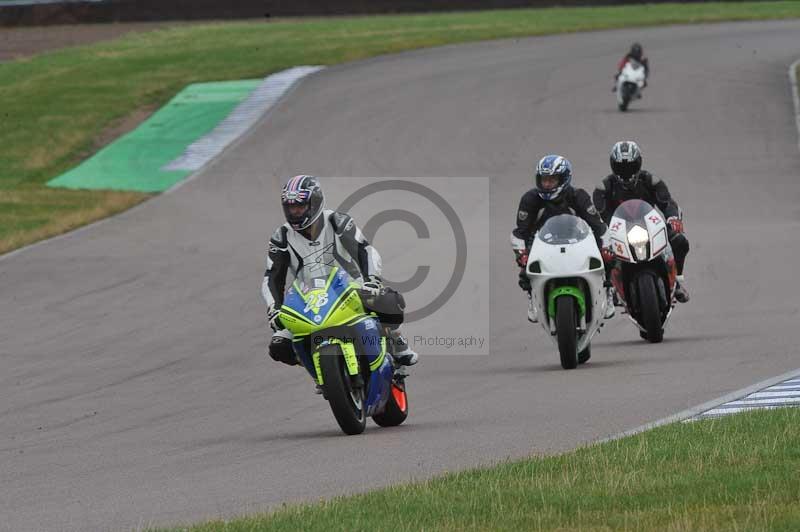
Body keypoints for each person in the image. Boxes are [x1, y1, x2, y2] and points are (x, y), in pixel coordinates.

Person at [262, 175, 418, 379]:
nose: (295, 212)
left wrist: (371, 279)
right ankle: (321, 373)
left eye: (300, 206)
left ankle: (395, 340)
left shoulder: (337, 221)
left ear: (315, 202)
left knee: (389, 302)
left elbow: (365, 250)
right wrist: (274, 309)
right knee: (279, 346)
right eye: (291, 207)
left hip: (349, 287)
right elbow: (272, 277)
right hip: (309, 298)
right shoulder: (281, 236)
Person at [510, 155, 615, 323]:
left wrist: (606, 247)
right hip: (542, 244)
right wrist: (521, 254)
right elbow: (519, 233)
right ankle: (532, 296)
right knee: (525, 269)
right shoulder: (530, 200)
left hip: (578, 241)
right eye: (544, 180)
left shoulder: (578, 196)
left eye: (551, 180)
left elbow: (599, 226)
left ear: (564, 179)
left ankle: (608, 289)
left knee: (608, 258)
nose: (546, 184)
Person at [592, 141, 690, 303]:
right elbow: (598, 216)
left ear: (638, 164)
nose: (625, 172)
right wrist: (604, 236)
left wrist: (673, 219)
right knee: (599, 250)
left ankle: (677, 281)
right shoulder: (604, 188)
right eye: (621, 168)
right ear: (613, 166)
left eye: (630, 167)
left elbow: (668, 203)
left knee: (680, 241)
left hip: (649, 227)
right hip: (616, 232)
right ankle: (609, 290)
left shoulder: (651, 181)